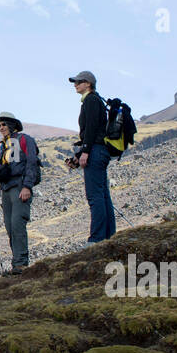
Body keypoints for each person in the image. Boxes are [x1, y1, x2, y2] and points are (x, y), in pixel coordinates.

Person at [0, 112, 39, 275]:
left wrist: (27, 187)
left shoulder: (25, 140)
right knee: (10, 227)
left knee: (18, 224)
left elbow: (32, 163)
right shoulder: (2, 148)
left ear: (12, 125)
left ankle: (21, 264)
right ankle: (17, 264)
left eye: (3, 124)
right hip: (6, 190)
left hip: (20, 187)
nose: (0, 128)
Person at [65, 71, 117, 245]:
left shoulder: (91, 100)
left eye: (79, 82)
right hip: (100, 151)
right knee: (103, 195)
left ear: (88, 83)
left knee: (95, 196)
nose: (75, 84)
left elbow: (92, 128)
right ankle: (109, 236)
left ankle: (96, 239)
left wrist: (85, 151)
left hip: (95, 151)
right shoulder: (95, 100)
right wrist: (78, 155)